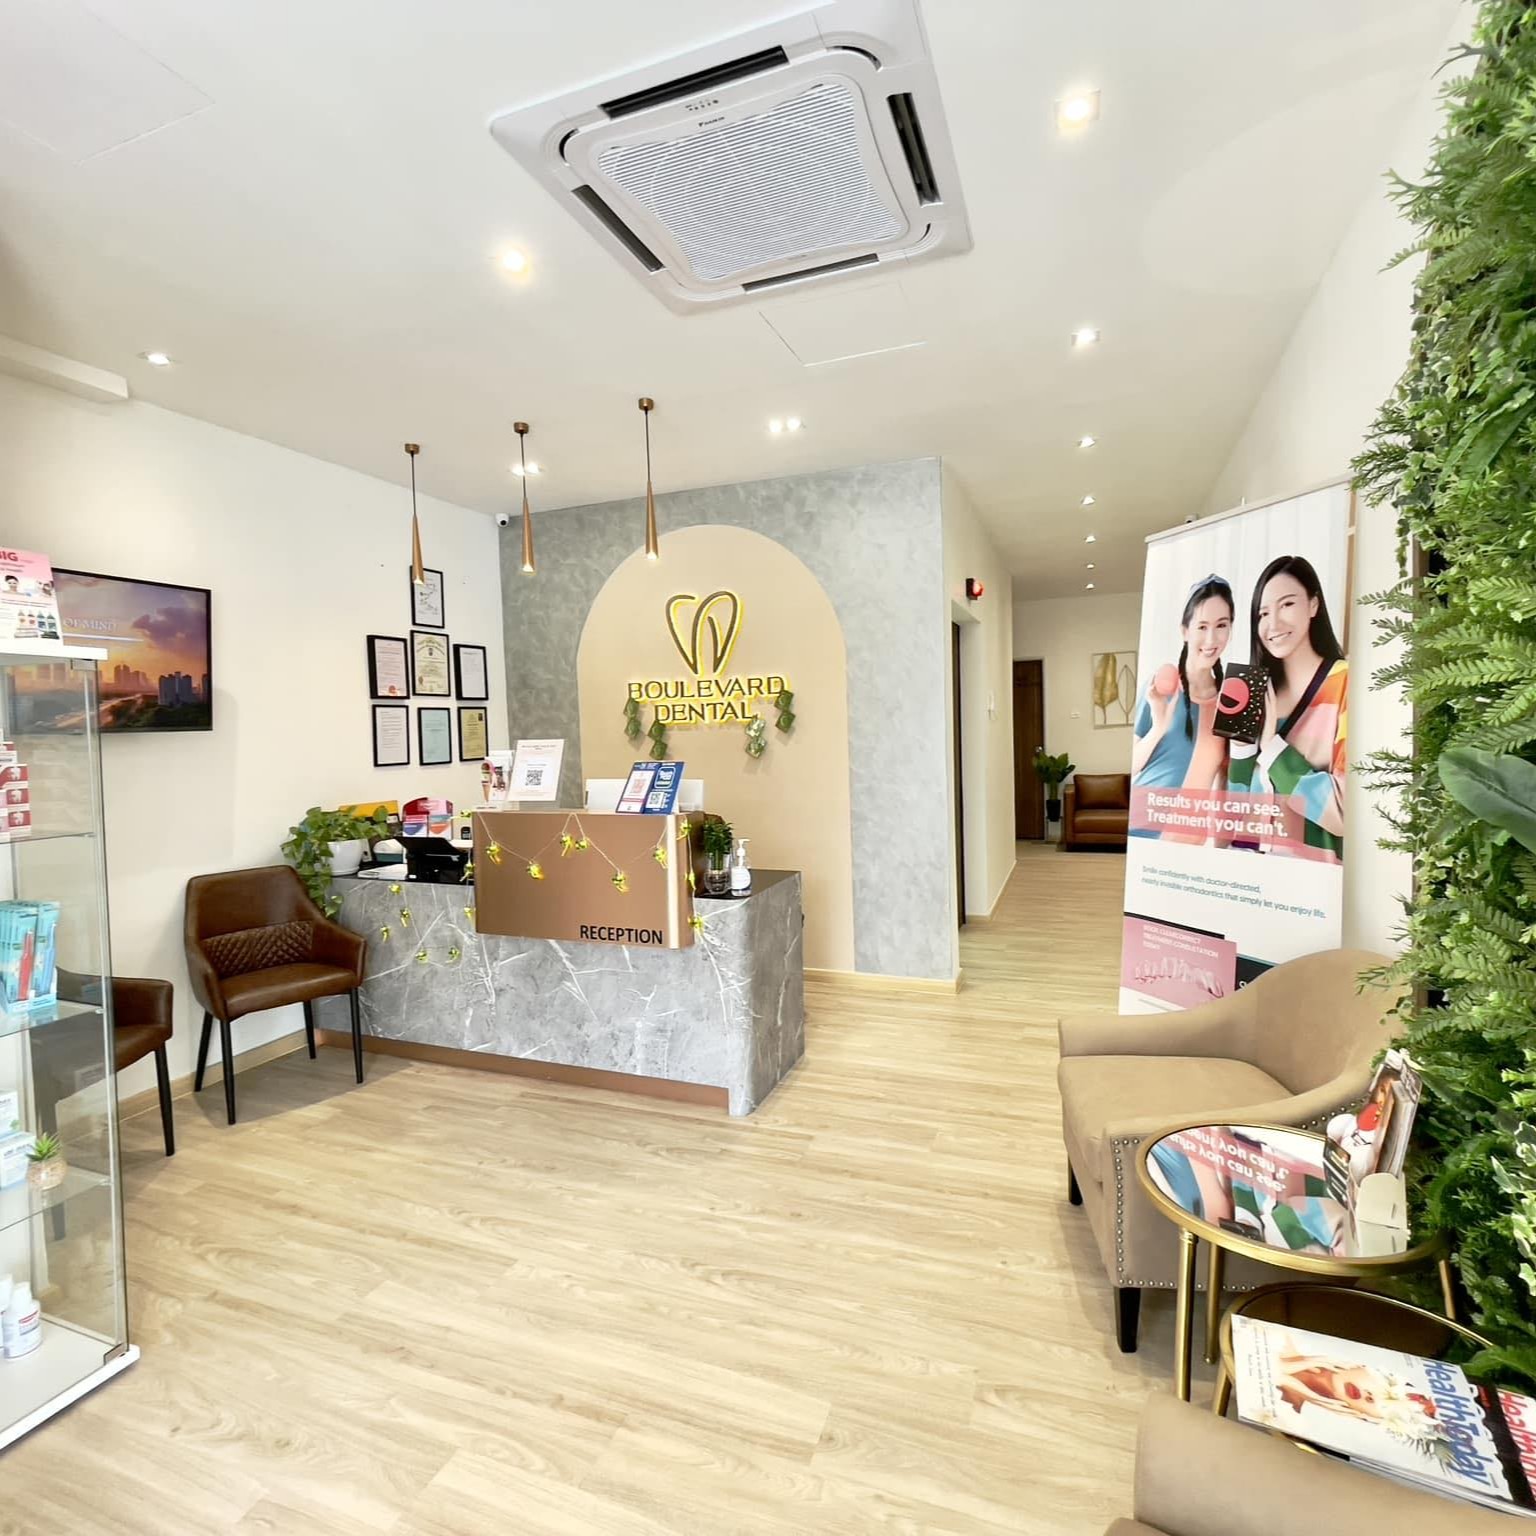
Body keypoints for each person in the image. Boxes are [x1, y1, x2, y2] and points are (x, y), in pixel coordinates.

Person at [1228, 555, 1347, 861]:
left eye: (1287, 604)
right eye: (1263, 613)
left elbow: (1343, 813)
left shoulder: (1347, 682)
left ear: (1313, 605)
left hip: (1310, 876)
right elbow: (1234, 808)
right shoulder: (1248, 687)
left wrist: (1272, 747)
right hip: (1245, 870)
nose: (1273, 624)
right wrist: (1240, 749)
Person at [1131, 575, 1234, 840]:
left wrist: (1221, 847)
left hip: (1190, 844)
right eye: (1202, 626)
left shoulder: (1230, 700)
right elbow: (1131, 766)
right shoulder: (1161, 687)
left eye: (1221, 625)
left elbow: (1224, 782)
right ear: (1185, 630)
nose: (1211, 638)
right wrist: (1159, 727)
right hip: (1144, 830)